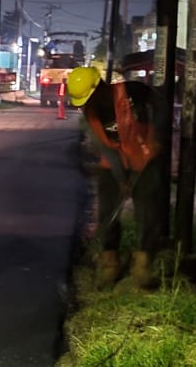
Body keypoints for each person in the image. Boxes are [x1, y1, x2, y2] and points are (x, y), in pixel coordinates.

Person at [66, 66, 169, 289]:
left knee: (148, 212)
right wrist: (121, 179)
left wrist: (158, 135)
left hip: (146, 160)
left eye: (90, 98)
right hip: (114, 164)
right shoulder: (91, 112)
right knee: (107, 214)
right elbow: (107, 147)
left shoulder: (133, 91)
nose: (88, 104)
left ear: (101, 88)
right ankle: (110, 264)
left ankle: (142, 266)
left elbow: (161, 106)